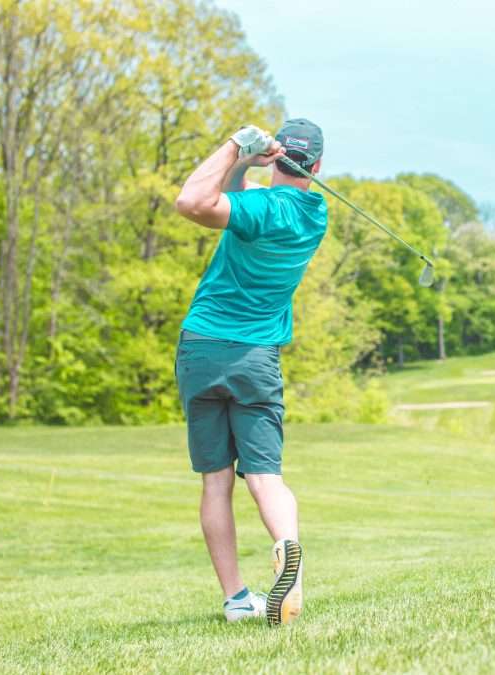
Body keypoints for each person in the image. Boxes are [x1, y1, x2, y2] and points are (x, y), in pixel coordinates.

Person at [172, 119, 327, 626]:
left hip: (203, 348)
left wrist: (237, 144)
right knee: (265, 476)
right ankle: (288, 552)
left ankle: (238, 600)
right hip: (256, 358)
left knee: (216, 482)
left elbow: (192, 201)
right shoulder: (315, 215)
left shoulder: (261, 209)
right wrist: (245, 167)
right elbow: (245, 204)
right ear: (318, 167)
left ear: (279, 156)